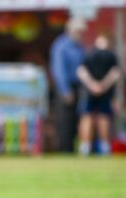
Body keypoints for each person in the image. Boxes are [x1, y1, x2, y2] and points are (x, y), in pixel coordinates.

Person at [76, 34, 121, 156]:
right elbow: (115, 74)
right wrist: (103, 86)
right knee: (102, 118)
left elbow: (81, 71)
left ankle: (85, 147)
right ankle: (104, 147)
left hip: (89, 91)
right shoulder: (111, 55)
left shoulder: (89, 53)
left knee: (88, 117)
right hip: (104, 91)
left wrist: (92, 85)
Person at [49, 18, 87, 153]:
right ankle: (65, 149)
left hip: (78, 86)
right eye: (78, 31)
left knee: (76, 119)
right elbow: (59, 70)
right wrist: (65, 90)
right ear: (70, 31)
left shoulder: (79, 46)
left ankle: (73, 148)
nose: (80, 34)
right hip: (65, 87)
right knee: (65, 120)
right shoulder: (61, 46)